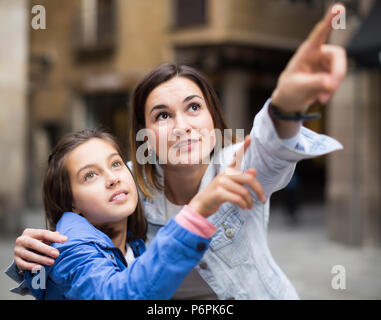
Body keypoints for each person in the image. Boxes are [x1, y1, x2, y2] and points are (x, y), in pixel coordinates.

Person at [6, 6, 347, 299]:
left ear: (214, 119)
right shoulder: (125, 182)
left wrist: (286, 104)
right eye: (163, 115)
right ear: (145, 134)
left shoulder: (237, 167)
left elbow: (270, 147)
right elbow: (81, 229)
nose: (182, 125)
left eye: (194, 107)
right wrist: (33, 259)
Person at [22, 129, 263, 299]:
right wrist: (195, 214)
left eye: (115, 164)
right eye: (90, 175)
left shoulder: (134, 244)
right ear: (72, 203)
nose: (113, 178)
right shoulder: (70, 247)